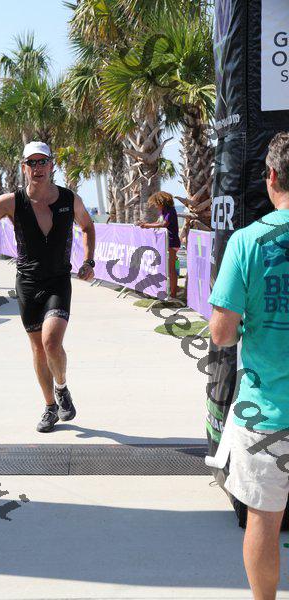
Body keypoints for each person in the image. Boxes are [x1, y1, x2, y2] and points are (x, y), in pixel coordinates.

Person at [0, 141, 96, 433]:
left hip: (58, 281)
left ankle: (62, 388)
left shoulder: (69, 199)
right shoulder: (12, 202)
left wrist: (89, 261)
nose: (37, 168)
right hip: (28, 283)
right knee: (38, 348)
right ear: (24, 168)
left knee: (51, 342)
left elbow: (87, 226)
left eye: (42, 161)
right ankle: (50, 407)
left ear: (51, 165)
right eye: (31, 163)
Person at [209, 132, 289, 600]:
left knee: (263, 518)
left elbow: (222, 334)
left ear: (272, 176)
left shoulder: (247, 242)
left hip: (266, 415)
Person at [138, 191, 181, 297]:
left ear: (161, 202)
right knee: (167, 268)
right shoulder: (164, 211)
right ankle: (170, 290)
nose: (156, 206)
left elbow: (164, 224)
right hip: (166, 243)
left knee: (171, 269)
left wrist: (147, 225)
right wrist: (146, 225)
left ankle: (173, 294)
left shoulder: (170, 210)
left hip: (172, 243)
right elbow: (159, 223)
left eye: (157, 204)